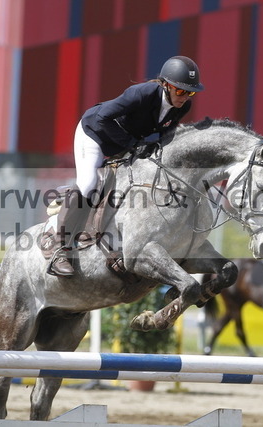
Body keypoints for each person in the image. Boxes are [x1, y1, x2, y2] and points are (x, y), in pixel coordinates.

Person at [41, 56, 205, 277]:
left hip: (125, 142)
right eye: (180, 91)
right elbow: (103, 118)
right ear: (166, 85)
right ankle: (59, 249)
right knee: (89, 184)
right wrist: (133, 145)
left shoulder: (180, 107)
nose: (184, 97)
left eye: (190, 93)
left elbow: (165, 138)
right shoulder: (142, 93)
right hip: (95, 134)